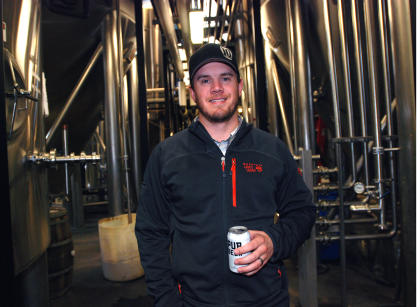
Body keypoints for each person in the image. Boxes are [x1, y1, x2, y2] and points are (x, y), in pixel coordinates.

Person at [135, 43, 315, 307]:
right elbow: (151, 232)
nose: (216, 88)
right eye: (205, 80)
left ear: (240, 87)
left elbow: (303, 212)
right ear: (192, 92)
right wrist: (166, 299)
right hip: (194, 301)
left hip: (266, 299)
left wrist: (274, 241)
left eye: (225, 78)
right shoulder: (167, 156)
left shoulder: (271, 150)